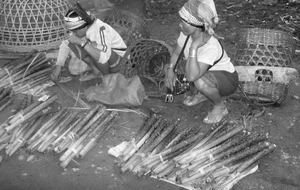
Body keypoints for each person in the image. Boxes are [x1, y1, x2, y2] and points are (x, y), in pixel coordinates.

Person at [164, 0, 239, 124]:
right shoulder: (186, 34)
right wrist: (170, 69)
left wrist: (193, 47)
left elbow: (192, 76)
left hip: (226, 79)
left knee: (199, 81)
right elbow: (177, 53)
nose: (179, 25)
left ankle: (220, 106)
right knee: (175, 68)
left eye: (183, 22)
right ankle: (202, 94)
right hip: (203, 72)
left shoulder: (211, 46)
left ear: (195, 26)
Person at [50, 3, 127, 82]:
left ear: (82, 28)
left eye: (74, 31)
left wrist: (82, 43)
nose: (73, 33)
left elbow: (103, 57)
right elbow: (66, 43)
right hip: (107, 60)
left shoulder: (101, 29)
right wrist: (58, 66)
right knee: (72, 42)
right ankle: (97, 72)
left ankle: (108, 78)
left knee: (94, 49)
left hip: (121, 63)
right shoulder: (86, 29)